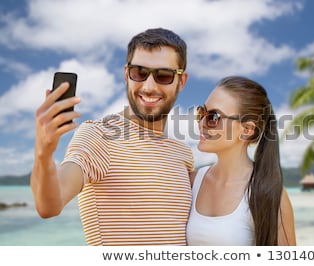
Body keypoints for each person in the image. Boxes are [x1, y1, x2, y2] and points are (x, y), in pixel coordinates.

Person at [31, 28, 193, 245]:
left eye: (164, 75)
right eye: (139, 73)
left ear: (181, 82)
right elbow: (49, 205)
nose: (149, 86)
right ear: (127, 74)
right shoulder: (99, 135)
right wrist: (43, 151)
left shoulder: (183, 153)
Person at [186, 76, 297, 246]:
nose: (201, 123)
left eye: (213, 117)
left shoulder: (269, 195)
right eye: (202, 113)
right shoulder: (191, 182)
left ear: (247, 130)